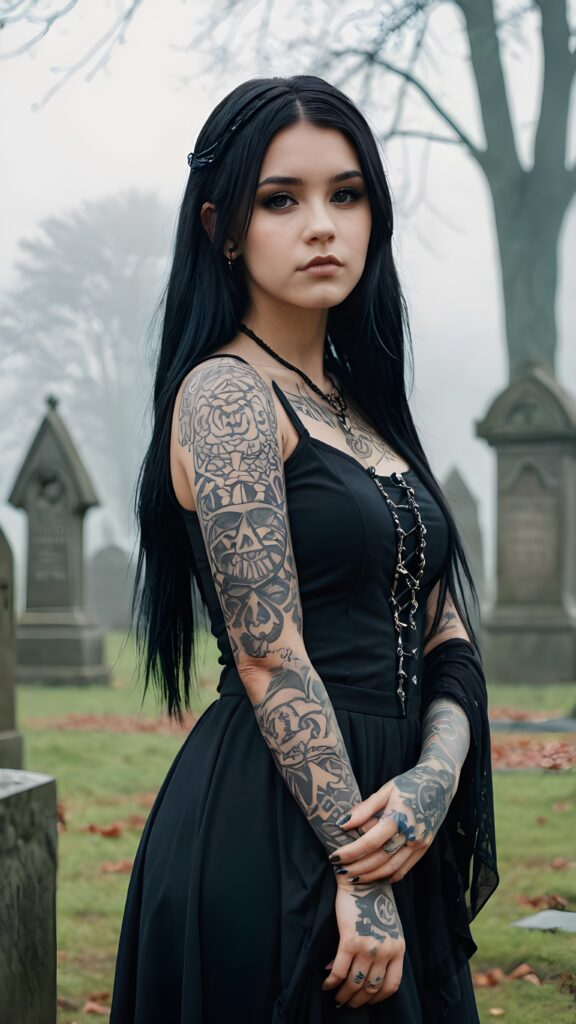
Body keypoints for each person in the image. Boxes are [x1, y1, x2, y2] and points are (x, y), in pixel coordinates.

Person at [109, 74, 498, 1023]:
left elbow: (446, 628)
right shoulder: (229, 396)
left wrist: (432, 782)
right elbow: (268, 652)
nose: (322, 224)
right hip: (284, 830)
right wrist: (358, 874)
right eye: (281, 199)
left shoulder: (366, 407)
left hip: (394, 815)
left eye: (347, 193)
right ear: (224, 228)